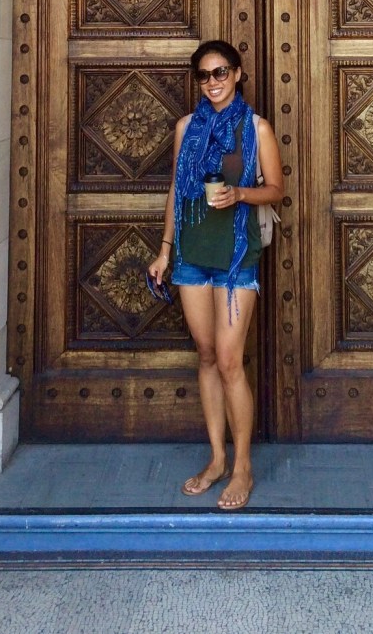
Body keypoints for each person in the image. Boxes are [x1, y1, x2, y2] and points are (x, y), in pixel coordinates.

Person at [148, 39, 284, 511]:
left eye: (221, 72)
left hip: (235, 256)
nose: (213, 82)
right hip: (191, 256)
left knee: (229, 361)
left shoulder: (256, 128)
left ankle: (242, 466)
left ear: (238, 73)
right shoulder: (186, 127)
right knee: (206, 356)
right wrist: (165, 251)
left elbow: (277, 189)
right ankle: (217, 459)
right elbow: (176, 191)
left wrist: (240, 195)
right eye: (204, 75)